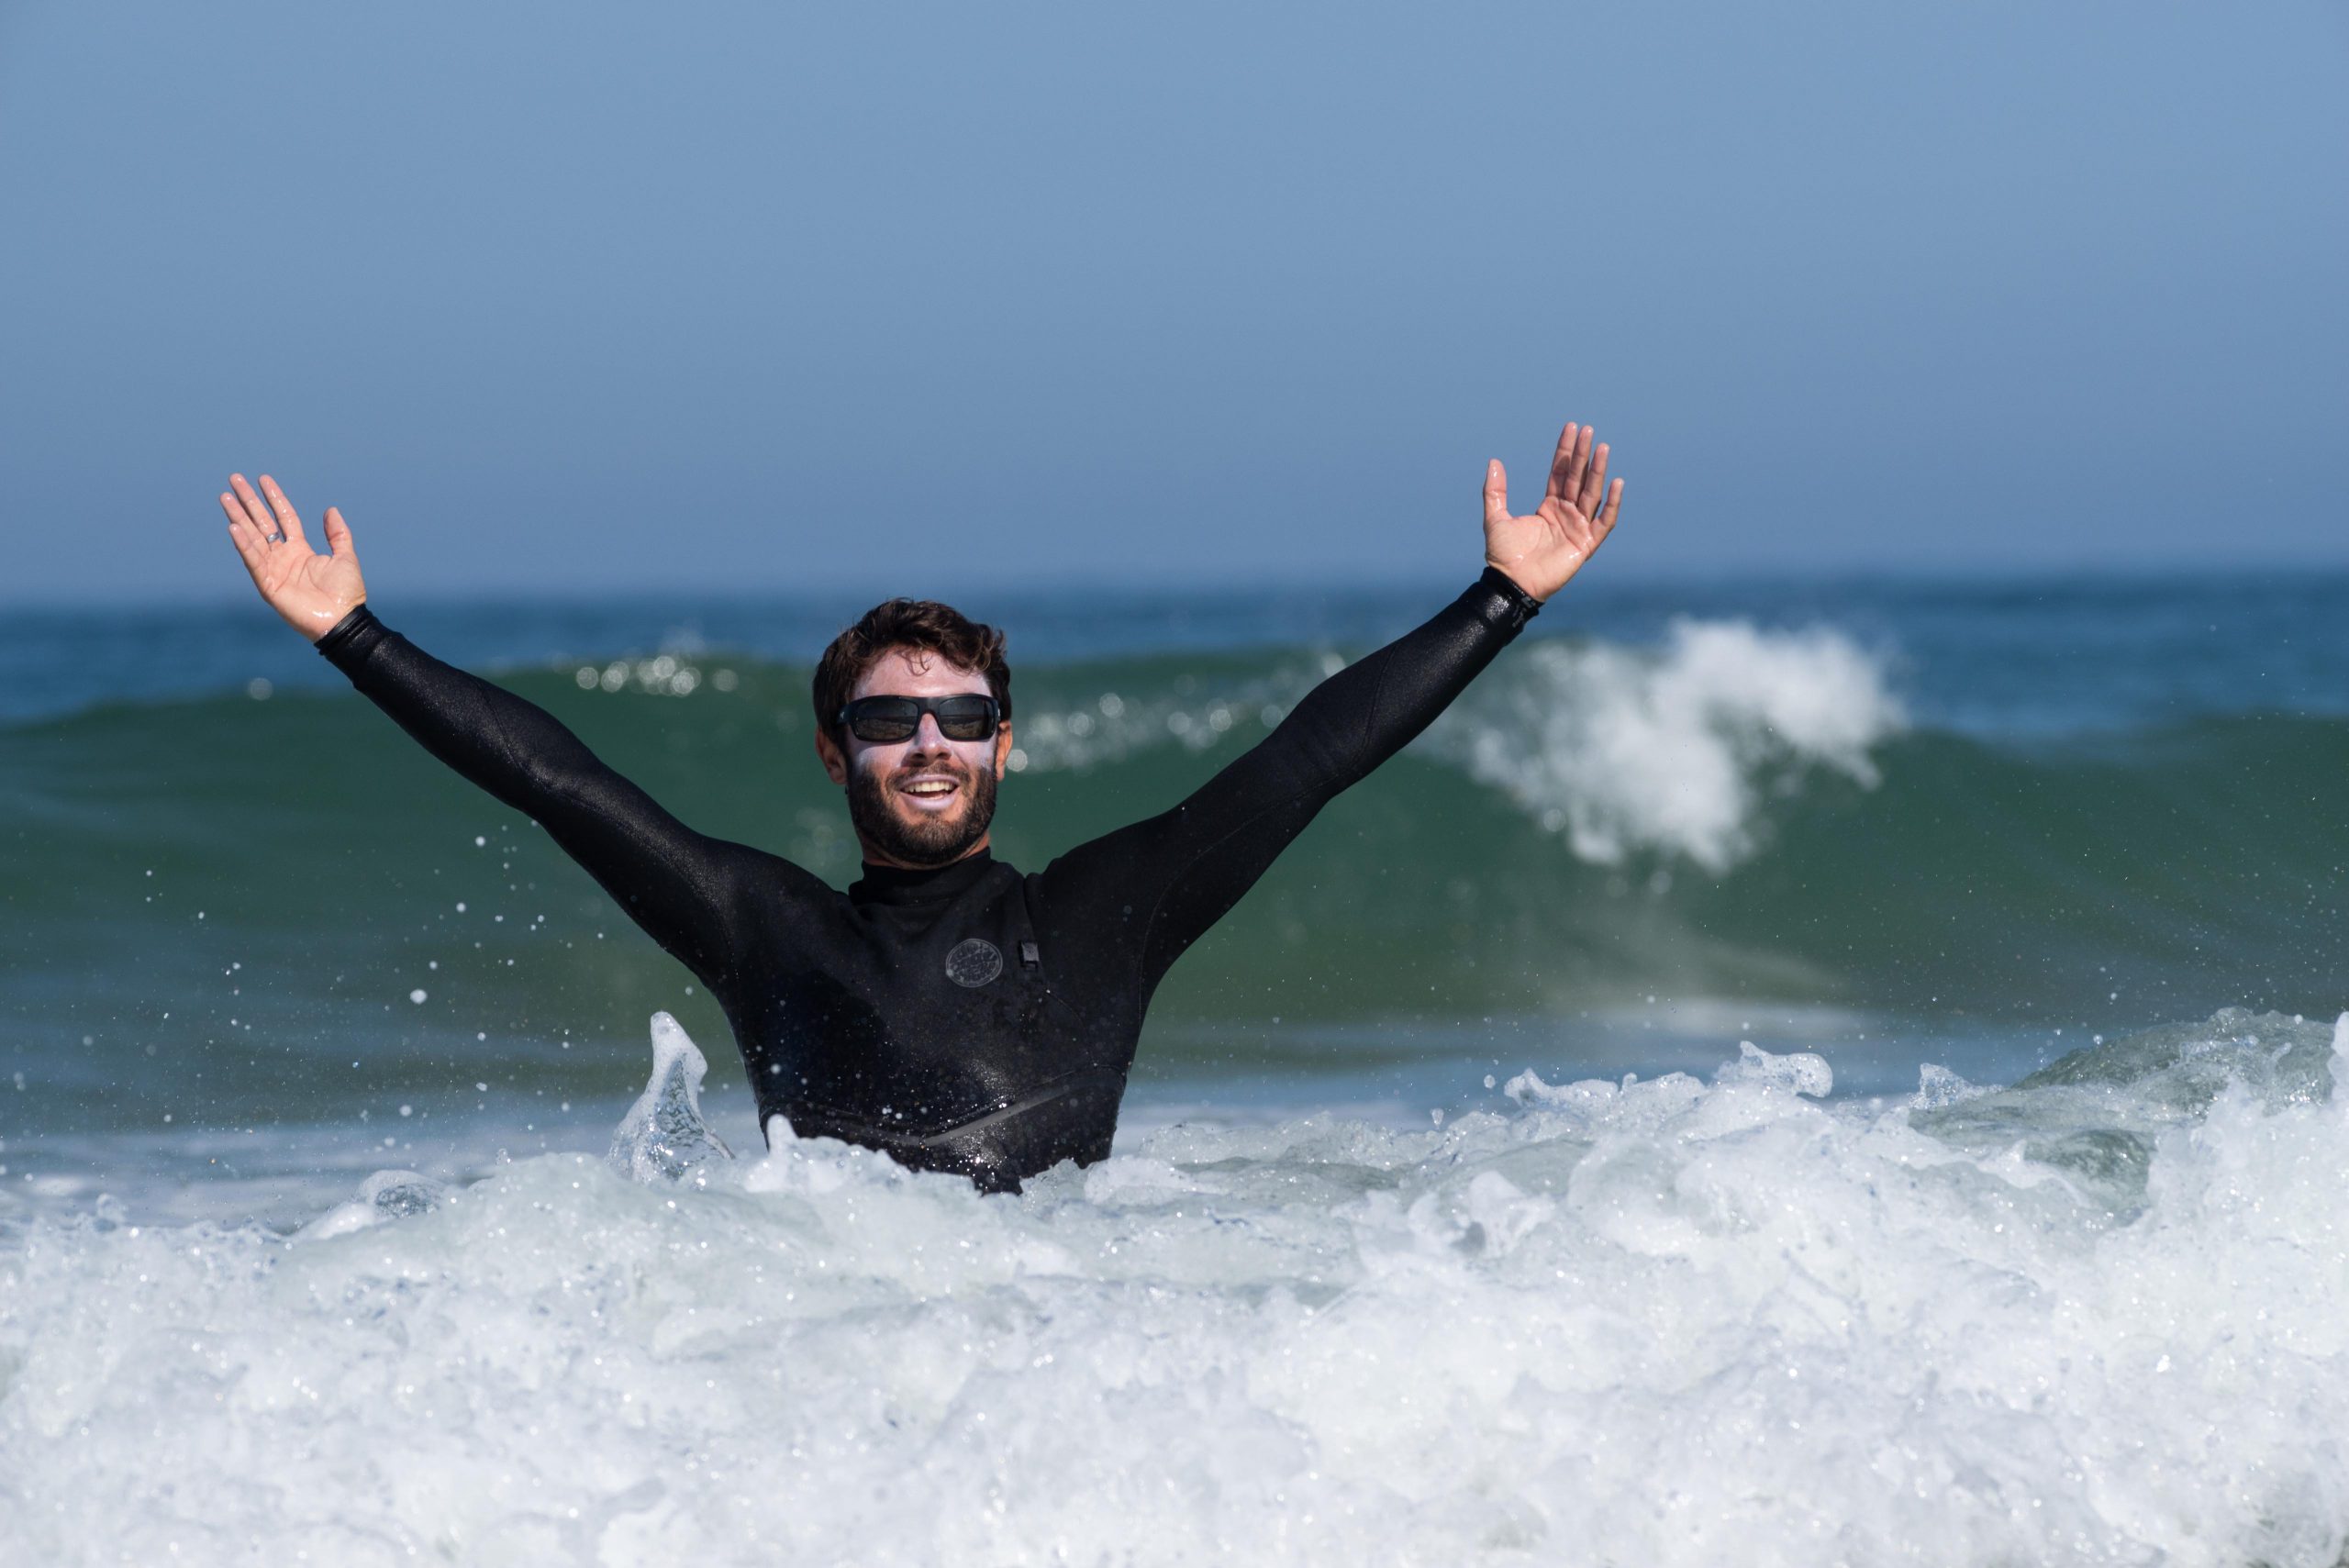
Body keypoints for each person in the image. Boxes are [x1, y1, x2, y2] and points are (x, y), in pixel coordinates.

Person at [219, 424, 1624, 1191]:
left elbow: (1306, 759)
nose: (930, 743)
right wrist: (358, 639)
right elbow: (557, 783)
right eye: (891, 720)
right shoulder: (762, 927)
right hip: (839, 1354)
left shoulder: (1103, 916)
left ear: (1004, 744)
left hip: (1056, 1349)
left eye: (959, 717)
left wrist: (1499, 602)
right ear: (839, 754)